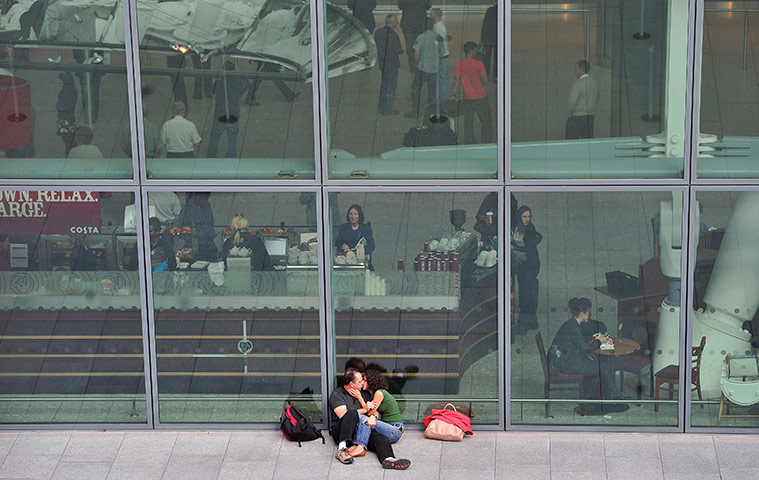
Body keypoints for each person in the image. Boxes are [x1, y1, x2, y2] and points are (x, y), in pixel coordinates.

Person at [549, 297, 628, 414]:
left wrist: (588, 353)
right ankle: (611, 394)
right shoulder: (573, 327)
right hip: (563, 364)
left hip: (567, 359)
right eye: (588, 312)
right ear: (582, 314)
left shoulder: (571, 324)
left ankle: (589, 398)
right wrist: (600, 340)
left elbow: (581, 347)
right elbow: (585, 348)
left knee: (599, 365)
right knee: (603, 367)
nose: (590, 315)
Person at [328, 369, 411, 469]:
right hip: (342, 431)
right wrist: (364, 409)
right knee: (351, 413)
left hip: (361, 430)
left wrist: (373, 417)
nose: (363, 383)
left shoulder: (364, 394)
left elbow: (375, 411)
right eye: (360, 381)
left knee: (381, 438)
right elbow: (343, 415)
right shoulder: (337, 395)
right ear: (352, 384)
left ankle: (389, 459)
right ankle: (342, 449)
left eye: (363, 380)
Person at [451, 41, 493, 144]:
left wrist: (452, 94)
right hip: (480, 97)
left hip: (468, 98)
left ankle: (470, 142)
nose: (476, 52)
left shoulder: (459, 64)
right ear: (471, 51)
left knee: (468, 123)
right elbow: (485, 81)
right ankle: (486, 142)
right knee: (486, 122)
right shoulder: (479, 64)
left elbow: (457, 80)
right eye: (475, 50)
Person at [511, 205, 542, 334]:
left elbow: (528, 247)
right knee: (526, 292)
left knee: (525, 295)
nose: (527, 219)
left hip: (530, 265)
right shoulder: (515, 227)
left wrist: (514, 249)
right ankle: (532, 322)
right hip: (522, 264)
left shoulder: (529, 229)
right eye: (524, 216)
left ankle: (523, 325)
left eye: (528, 216)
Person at [405, 18, 442, 119]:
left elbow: (416, 53)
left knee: (416, 88)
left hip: (422, 68)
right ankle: (431, 112)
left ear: (423, 26)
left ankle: (415, 110)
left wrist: (417, 63)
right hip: (434, 69)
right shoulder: (438, 37)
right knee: (432, 91)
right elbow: (442, 51)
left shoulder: (421, 37)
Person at [207, 61, 244, 158]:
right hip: (233, 114)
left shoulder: (218, 83)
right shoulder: (236, 83)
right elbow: (246, 83)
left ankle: (211, 156)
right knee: (232, 140)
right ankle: (231, 157)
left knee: (214, 137)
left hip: (220, 114)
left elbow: (213, 95)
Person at [374, 14, 403, 116]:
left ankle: (382, 106)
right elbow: (399, 50)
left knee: (384, 84)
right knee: (391, 86)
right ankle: (388, 108)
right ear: (392, 22)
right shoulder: (394, 35)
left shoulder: (378, 33)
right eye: (396, 21)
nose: (397, 23)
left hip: (383, 63)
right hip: (392, 63)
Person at [178, 192, 218, 261]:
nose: (205, 199)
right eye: (203, 197)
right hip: (196, 246)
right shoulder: (188, 209)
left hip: (207, 245)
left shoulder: (206, 205)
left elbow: (210, 224)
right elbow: (183, 232)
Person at [565, 59, 599, 139]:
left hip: (577, 117)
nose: (575, 71)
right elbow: (597, 97)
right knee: (587, 142)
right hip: (590, 117)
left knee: (572, 142)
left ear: (581, 70)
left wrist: (570, 114)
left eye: (576, 69)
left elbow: (571, 102)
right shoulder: (594, 83)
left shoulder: (578, 84)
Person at [398, 0, 431, 71]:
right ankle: (420, 63)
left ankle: (412, 65)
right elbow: (428, 6)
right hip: (420, 21)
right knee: (420, 44)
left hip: (407, 21)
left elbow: (400, 6)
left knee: (409, 45)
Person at [56, 72, 77, 157]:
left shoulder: (66, 93)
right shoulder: (71, 91)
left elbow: (61, 107)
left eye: (61, 80)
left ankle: (68, 157)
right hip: (69, 120)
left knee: (68, 143)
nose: (59, 82)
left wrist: (58, 107)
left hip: (65, 121)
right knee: (70, 142)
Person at [430, 8, 449, 100]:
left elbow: (440, 44)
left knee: (441, 80)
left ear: (435, 16)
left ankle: (443, 99)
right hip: (442, 56)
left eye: (431, 14)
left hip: (442, 57)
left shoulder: (438, 27)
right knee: (440, 80)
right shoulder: (438, 26)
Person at [480, 0, 498, 81]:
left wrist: (482, 38)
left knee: (487, 57)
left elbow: (485, 25)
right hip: (498, 37)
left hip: (488, 37)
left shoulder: (490, 10)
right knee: (497, 58)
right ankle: (496, 76)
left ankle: (486, 74)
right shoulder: (502, 10)